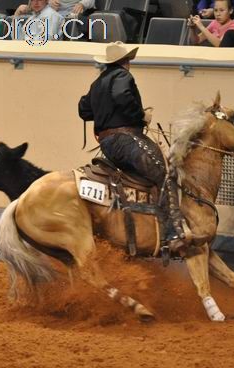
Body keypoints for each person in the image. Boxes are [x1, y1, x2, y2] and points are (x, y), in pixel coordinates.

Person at [78, 41, 187, 252]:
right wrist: (140, 115)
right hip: (125, 139)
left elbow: (84, 110)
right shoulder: (122, 76)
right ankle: (172, 233)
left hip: (108, 143)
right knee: (164, 171)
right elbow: (121, 96)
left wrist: (104, 111)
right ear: (125, 61)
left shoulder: (97, 83)